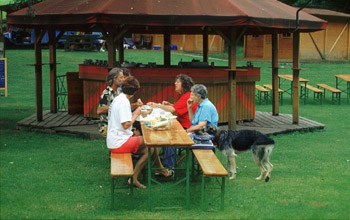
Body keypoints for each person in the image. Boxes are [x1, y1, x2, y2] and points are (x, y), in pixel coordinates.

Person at [107, 76, 172, 188]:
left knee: (150, 148)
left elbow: (125, 121)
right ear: (135, 91)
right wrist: (136, 113)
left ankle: (154, 171)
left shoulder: (120, 99)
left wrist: (135, 112)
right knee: (150, 143)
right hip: (119, 142)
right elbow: (126, 124)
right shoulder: (123, 102)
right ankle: (139, 176)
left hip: (116, 139)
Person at [147, 74, 198, 167]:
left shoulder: (187, 96)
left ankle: (169, 166)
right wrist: (170, 104)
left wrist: (157, 105)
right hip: (183, 126)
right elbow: (176, 108)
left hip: (188, 129)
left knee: (167, 137)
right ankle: (166, 157)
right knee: (165, 131)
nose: (175, 83)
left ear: (184, 84)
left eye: (178, 82)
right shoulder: (186, 95)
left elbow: (173, 110)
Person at [97, 67, 142, 137]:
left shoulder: (118, 92)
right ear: (114, 79)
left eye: (124, 77)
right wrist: (131, 106)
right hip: (107, 126)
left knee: (140, 128)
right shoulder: (107, 93)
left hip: (118, 124)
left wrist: (134, 105)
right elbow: (99, 111)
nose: (123, 80)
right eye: (121, 77)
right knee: (137, 133)